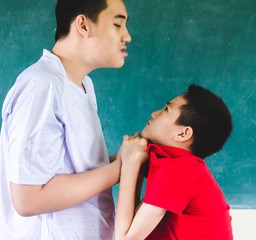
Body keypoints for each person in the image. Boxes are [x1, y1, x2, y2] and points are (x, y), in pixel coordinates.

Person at [0, 0, 131, 239]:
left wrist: (124, 160)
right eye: (117, 24)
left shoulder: (82, 85)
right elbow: (28, 198)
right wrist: (122, 168)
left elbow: (72, 171)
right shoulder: (43, 84)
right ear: (83, 24)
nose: (127, 37)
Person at [115, 84, 234, 240]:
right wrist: (133, 162)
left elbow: (125, 239)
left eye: (166, 110)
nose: (154, 113)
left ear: (183, 133)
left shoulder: (181, 170)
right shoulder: (171, 160)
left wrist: (132, 164)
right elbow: (109, 166)